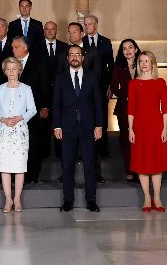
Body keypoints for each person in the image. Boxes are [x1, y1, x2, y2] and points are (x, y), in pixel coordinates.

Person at [52, 44, 104, 212]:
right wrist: (57, 126)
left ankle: (91, 201)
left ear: (82, 58)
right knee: (67, 166)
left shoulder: (92, 76)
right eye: (71, 54)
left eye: (78, 54)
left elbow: (98, 103)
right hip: (67, 128)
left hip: (88, 128)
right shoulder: (60, 78)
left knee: (90, 166)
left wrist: (99, 125)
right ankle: (68, 201)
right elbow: (56, 105)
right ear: (68, 58)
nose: (74, 57)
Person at [0, 56, 37, 212]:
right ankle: (8, 200)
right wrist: (2, 119)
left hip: (20, 132)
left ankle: (17, 199)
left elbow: (32, 110)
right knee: (4, 166)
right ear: (5, 71)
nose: (11, 72)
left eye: (14, 69)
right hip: (3, 131)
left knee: (19, 166)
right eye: (8, 69)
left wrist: (21, 117)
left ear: (19, 70)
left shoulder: (26, 89)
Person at [128, 50, 167, 211]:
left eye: (147, 61)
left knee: (156, 163)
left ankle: (157, 198)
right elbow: (131, 109)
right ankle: (147, 198)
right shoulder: (133, 83)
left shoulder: (160, 82)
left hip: (156, 125)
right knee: (142, 162)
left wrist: (164, 129)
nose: (144, 64)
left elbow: (165, 108)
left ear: (152, 63)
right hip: (139, 126)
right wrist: (130, 129)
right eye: (141, 61)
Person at [14, 37, 50, 184]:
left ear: (25, 48)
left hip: (34, 112)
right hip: (14, 113)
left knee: (33, 144)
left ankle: (32, 175)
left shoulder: (38, 62)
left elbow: (46, 86)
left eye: (16, 47)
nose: (13, 50)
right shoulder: (10, 63)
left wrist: (45, 107)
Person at [110, 38, 140, 180]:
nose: (127, 51)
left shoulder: (143, 64)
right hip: (124, 108)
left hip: (142, 109)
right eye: (124, 49)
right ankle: (130, 170)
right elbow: (114, 87)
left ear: (135, 49)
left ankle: (142, 169)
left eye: (130, 47)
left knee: (141, 140)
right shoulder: (118, 67)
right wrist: (127, 96)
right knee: (127, 140)